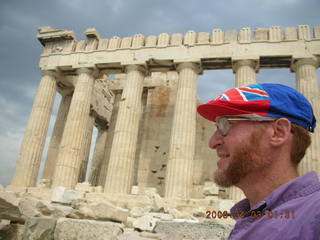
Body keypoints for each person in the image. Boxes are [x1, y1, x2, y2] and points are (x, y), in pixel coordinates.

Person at [197, 83, 320, 240]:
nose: (212, 142)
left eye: (225, 124)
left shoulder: (314, 218)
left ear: (278, 132)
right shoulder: (252, 215)